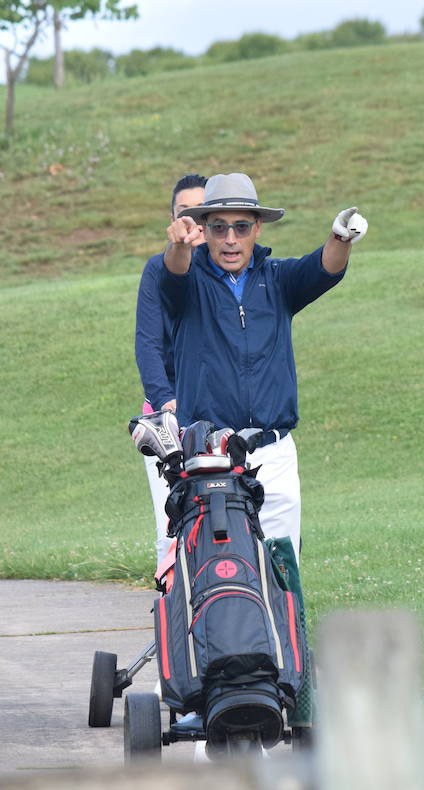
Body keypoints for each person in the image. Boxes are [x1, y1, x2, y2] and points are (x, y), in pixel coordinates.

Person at [159, 172, 368, 555]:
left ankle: (287, 618)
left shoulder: (277, 279)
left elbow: (324, 268)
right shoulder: (189, 282)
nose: (230, 239)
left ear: (257, 228)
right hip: (211, 454)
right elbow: (173, 272)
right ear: (203, 229)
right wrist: (177, 247)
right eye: (219, 228)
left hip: (273, 452)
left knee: (281, 562)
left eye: (241, 227)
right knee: (221, 564)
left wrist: (341, 237)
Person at [134, 173, 206, 568]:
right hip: (170, 423)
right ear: (171, 218)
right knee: (173, 529)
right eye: (184, 213)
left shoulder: (227, 272)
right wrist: (167, 403)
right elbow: (147, 344)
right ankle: (172, 627)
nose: (191, 223)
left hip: (219, 416)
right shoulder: (157, 272)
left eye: (199, 212)